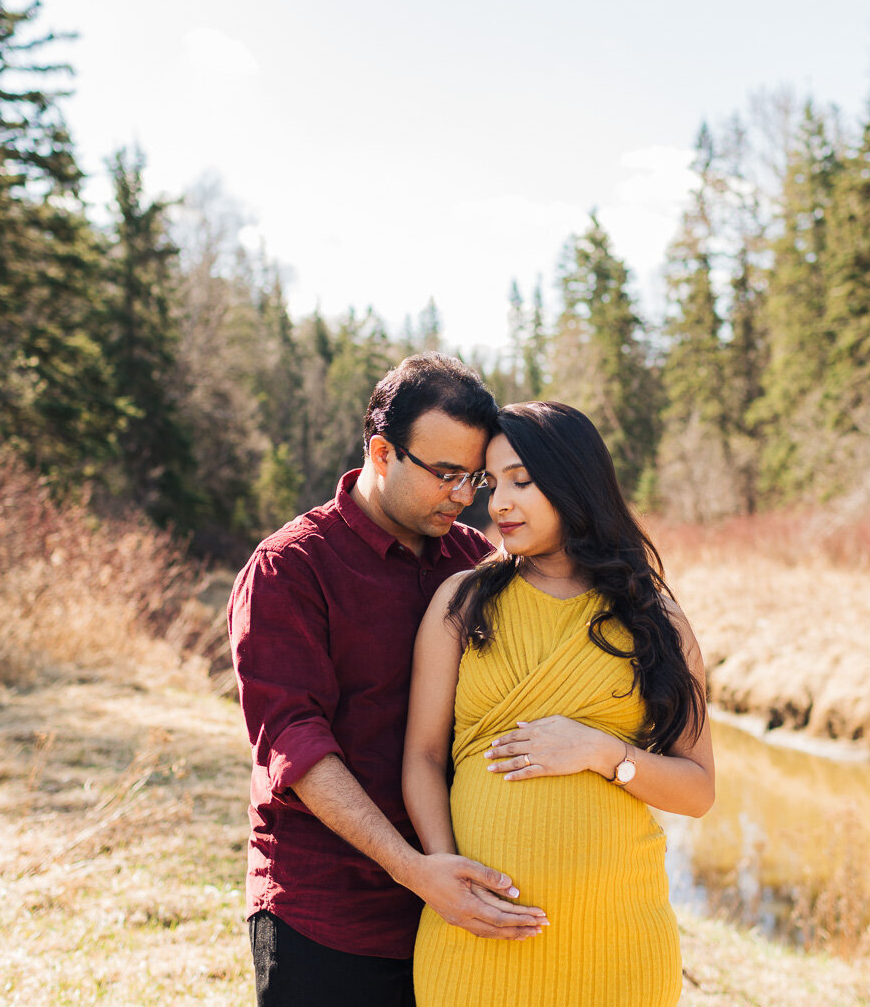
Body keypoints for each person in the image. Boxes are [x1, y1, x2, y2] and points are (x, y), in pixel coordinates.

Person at [229, 353, 549, 1007]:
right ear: (381, 451)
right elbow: (297, 746)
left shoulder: (475, 562)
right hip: (326, 918)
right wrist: (414, 869)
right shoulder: (289, 569)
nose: (464, 496)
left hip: (453, 915)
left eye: (475, 479)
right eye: (446, 474)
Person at [403, 400, 715, 1007]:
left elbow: (698, 791)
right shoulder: (461, 603)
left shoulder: (657, 621)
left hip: (617, 942)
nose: (497, 504)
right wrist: (447, 875)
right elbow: (421, 756)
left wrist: (604, 753)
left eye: (521, 480)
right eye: (492, 485)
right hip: (476, 936)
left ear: (574, 481)